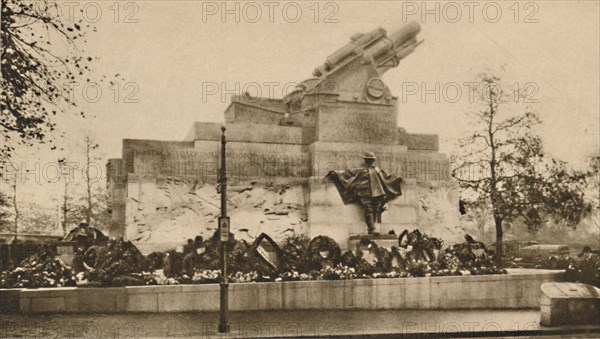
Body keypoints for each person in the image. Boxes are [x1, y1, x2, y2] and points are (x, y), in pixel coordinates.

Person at [327, 152, 402, 234]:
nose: (370, 162)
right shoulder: (361, 170)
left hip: (377, 193)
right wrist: (337, 173)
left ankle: (372, 229)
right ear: (366, 160)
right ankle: (372, 228)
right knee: (368, 209)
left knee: (375, 210)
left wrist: (396, 180)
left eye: (371, 160)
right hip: (364, 193)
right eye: (369, 160)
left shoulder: (377, 170)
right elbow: (348, 173)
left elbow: (386, 179)